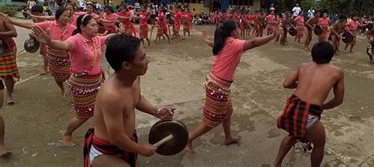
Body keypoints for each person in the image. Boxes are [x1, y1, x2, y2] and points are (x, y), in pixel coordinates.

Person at [185, 21, 277, 153]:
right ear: (234, 31)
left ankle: (228, 137)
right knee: (211, 121)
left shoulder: (225, 41)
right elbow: (254, 42)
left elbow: (213, 44)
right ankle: (189, 138)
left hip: (216, 84)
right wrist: (272, 36)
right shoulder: (234, 43)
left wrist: (205, 40)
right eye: (237, 29)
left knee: (228, 111)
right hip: (218, 87)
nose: (239, 31)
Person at [84, 34, 173, 166]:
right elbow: (116, 138)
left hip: (126, 143)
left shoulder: (134, 76)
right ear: (126, 65)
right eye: (142, 58)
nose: (147, 61)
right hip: (107, 151)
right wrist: (142, 149)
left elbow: (135, 99)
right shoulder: (112, 95)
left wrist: (157, 112)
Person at [31, 15, 112, 147]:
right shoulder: (75, 40)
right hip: (81, 84)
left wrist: (119, 35)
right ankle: (67, 133)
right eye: (92, 25)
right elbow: (63, 45)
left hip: (97, 82)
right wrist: (50, 42)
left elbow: (108, 38)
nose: (96, 27)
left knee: (101, 109)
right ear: (82, 27)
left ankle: (100, 133)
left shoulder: (96, 39)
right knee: (83, 115)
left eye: (96, 25)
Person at [274, 41, 344, 167]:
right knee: (319, 144)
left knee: (292, 135)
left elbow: (287, 84)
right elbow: (338, 100)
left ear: (313, 54)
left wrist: (300, 84)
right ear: (331, 55)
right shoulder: (337, 72)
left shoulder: (303, 66)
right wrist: (322, 107)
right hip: (310, 113)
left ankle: (276, 164)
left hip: (292, 108)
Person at [5, 8, 75, 96]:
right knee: (57, 77)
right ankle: (62, 88)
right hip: (53, 58)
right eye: (64, 16)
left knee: (71, 76)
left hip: (68, 57)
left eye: (68, 16)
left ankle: (71, 91)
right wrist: (12, 21)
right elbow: (31, 25)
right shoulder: (49, 25)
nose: (66, 18)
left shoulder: (73, 28)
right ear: (57, 16)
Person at [0, 17, 18, 105]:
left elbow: (14, 33)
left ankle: (9, 94)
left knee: (8, 74)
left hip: (6, 49)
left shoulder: (2, 19)